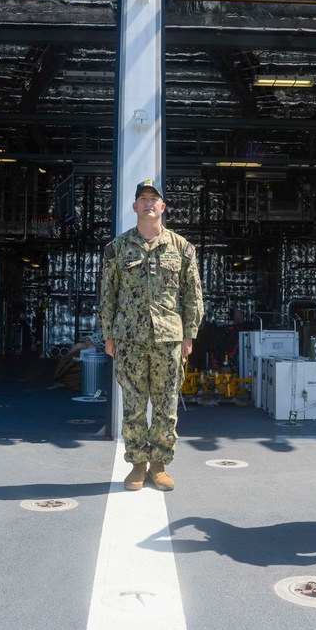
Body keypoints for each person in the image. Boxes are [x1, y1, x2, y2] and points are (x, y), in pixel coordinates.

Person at [100, 180, 204, 491]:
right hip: (129, 339)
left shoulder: (182, 248)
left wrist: (189, 335)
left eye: (153, 199)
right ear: (134, 206)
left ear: (163, 207)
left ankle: (159, 465)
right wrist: (109, 334)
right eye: (142, 199)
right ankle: (137, 465)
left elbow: (192, 294)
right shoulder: (117, 248)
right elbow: (108, 294)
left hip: (168, 340)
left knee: (165, 404)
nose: (148, 204)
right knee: (133, 405)